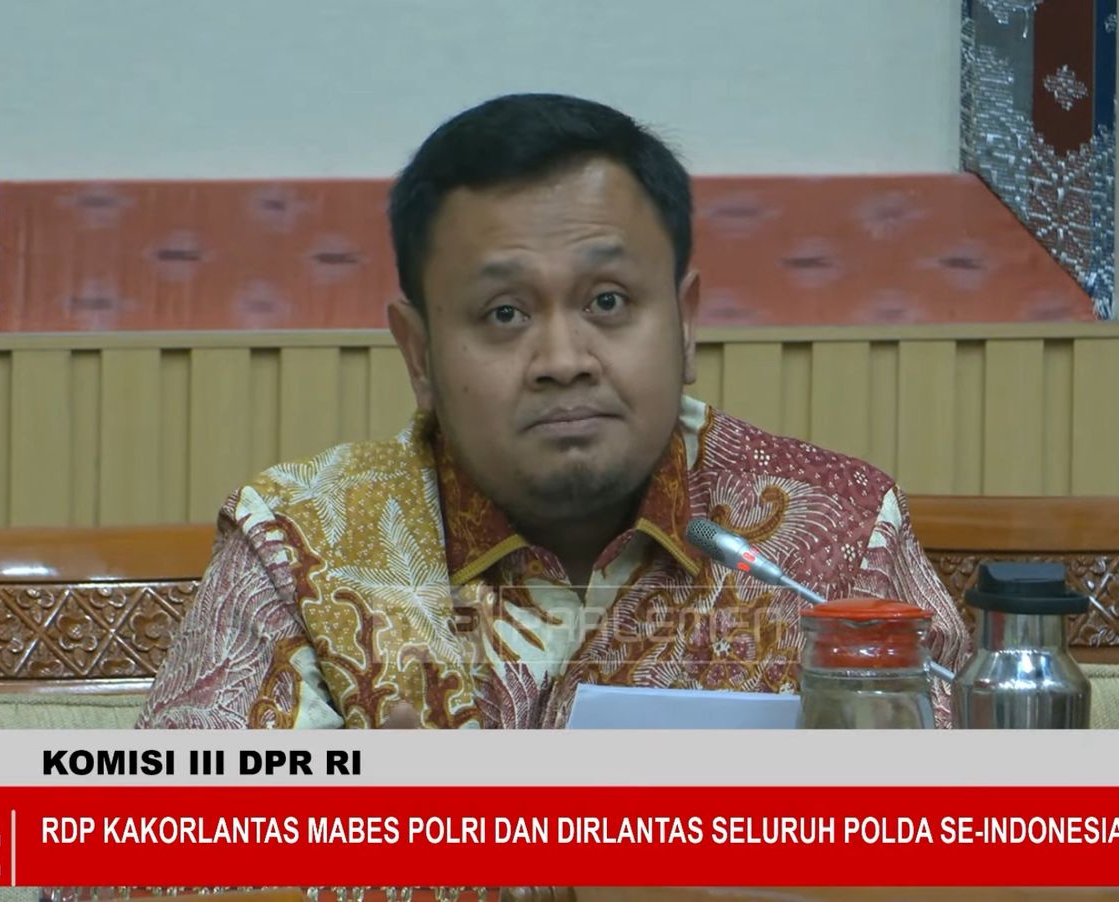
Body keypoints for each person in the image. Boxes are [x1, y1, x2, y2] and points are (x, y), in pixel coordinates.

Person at [137, 93, 970, 731]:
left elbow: (967, 840)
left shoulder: (838, 536)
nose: (564, 359)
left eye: (608, 301)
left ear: (685, 326)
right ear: (420, 355)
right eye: (504, 313)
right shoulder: (299, 545)